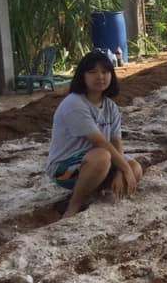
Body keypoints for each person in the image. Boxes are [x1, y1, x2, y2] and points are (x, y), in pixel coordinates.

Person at [46, 50, 143, 218]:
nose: (100, 76)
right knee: (103, 156)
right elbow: (101, 142)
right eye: (93, 72)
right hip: (64, 169)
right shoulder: (75, 103)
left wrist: (122, 171)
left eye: (105, 72)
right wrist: (124, 168)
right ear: (82, 76)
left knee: (136, 168)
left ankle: (93, 192)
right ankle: (73, 206)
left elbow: (116, 142)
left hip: (96, 163)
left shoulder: (110, 106)